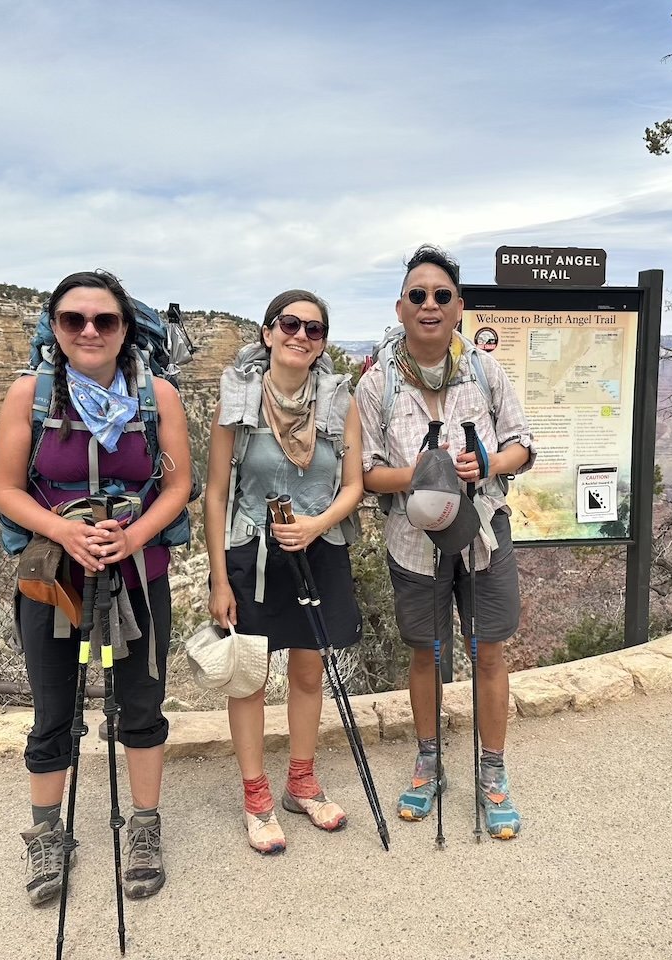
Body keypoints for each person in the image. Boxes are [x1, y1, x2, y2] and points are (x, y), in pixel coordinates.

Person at [0, 270, 191, 904]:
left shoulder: (158, 395)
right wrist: (65, 531)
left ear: (124, 329)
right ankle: (48, 834)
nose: (89, 331)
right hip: (54, 577)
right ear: (54, 328)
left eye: (104, 320)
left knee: (139, 703)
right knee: (54, 708)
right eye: (74, 319)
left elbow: (178, 486)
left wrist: (131, 538)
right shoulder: (31, 395)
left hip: (137, 573)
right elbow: (5, 489)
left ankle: (144, 826)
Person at [357, 244, 535, 840]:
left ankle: (493, 770)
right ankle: (429, 760)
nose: (429, 305)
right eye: (417, 296)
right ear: (401, 307)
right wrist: (423, 477)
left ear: (459, 307)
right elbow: (364, 473)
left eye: (440, 296)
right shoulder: (377, 384)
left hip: (483, 534)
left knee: (488, 651)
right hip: (413, 543)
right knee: (426, 653)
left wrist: (484, 465)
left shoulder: (487, 372)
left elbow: (523, 447)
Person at [205, 289, 364, 854]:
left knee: (306, 672)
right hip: (253, 553)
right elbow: (217, 492)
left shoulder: (340, 402)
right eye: (289, 325)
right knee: (248, 678)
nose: (301, 336)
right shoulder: (238, 399)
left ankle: (301, 781)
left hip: (318, 548)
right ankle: (256, 797)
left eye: (314, 330)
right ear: (269, 332)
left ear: (323, 344)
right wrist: (219, 579)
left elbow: (353, 486)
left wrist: (317, 524)